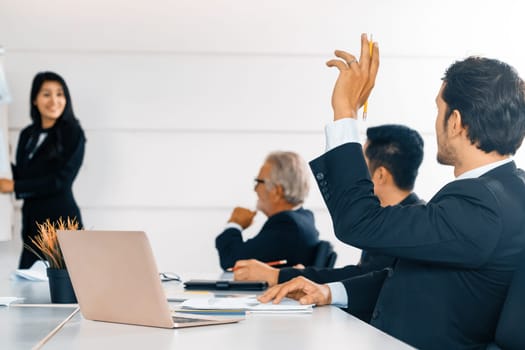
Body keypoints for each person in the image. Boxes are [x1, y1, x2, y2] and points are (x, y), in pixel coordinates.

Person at [258, 34, 525, 350]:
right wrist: (330, 291)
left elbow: (358, 221)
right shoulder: (503, 191)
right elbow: (418, 279)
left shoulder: (483, 204)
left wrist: (345, 112)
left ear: (455, 122)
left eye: (438, 110)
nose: (436, 121)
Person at [232, 124, 425, 287]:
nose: (354, 174)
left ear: (380, 175)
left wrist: (277, 276)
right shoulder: (399, 216)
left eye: (360, 165)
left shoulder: (407, 225)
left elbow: (365, 278)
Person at [0, 71, 86, 269]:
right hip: (31, 227)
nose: (54, 100)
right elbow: (23, 173)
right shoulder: (27, 135)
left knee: (65, 291)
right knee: (27, 288)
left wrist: (14, 185)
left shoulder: (72, 133)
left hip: (62, 224)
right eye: (46, 94)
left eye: (59, 94)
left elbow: (60, 180)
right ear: (35, 100)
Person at [215, 151, 320, 270]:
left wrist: (235, 224)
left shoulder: (286, 225)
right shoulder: (305, 217)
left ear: (277, 191)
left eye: (258, 182)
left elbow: (231, 261)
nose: (255, 189)